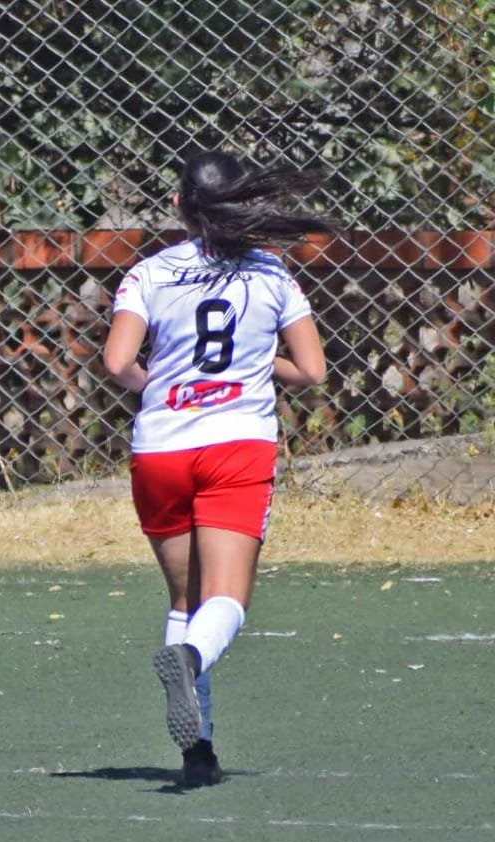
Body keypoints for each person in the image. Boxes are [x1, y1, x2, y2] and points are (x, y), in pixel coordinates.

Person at [102, 151, 333, 787]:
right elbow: (312, 371)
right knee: (225, 600)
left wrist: (161, 385)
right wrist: (256, 361)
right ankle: (191, 658)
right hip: (236, 447)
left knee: (186, 598)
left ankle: (198, 752)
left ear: (179, 205)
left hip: (161, 448)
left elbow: (117, 362)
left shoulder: (150, 272)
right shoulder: (271, 273)